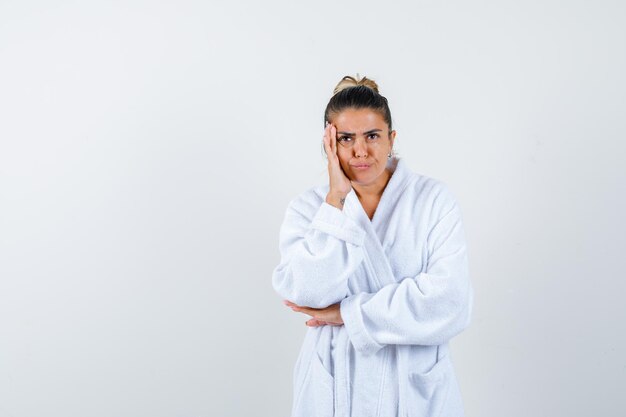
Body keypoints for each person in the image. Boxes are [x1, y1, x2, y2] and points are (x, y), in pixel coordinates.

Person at [271, 74, 474, 417]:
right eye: (346, 138)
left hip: (412, 387)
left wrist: (349, 314)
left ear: (391, 139)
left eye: (372, 136)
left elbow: (450, 302)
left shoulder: (432, 200)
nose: (360, 150)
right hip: (336, 383)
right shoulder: (309, 209)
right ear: (329, 144)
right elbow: (307, 293)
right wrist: (335, 201)